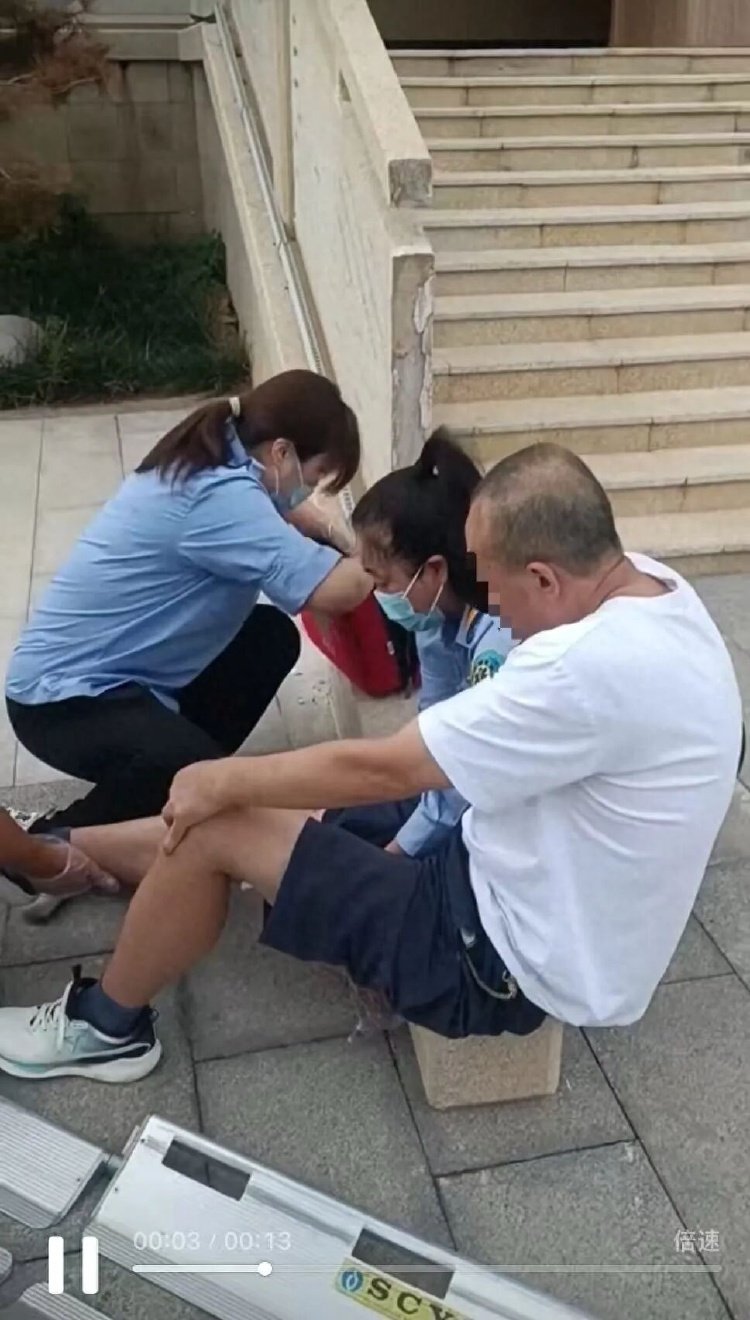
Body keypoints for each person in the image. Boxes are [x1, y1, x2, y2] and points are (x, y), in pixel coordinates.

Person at [0, 443, 742, 1082]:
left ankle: (106, 1030)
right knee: (275, 807)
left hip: (496, 959)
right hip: (509, 876)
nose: (491, 604)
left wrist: (217, 775)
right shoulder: (654, 591)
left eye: (495, 582)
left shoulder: (576, 669)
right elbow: (427, 756)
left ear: (546, 576)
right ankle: (64, 853)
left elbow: (390, 769)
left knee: (219, 821)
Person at [5, 370, 371, 833]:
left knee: (269, 637)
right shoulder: (220, 498)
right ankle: (46, 843)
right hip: (62, 702)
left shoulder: (222, 449)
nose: (309, 492)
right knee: (187, 768)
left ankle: (170, 774)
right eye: (314, 478)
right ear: (281, 452)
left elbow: (292, 510)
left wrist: (330, 530)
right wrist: (388, 551)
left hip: (120, 682)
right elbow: (336, 592)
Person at [334, 428, 514, 857]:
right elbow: (434, 724)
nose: (378, 595)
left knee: (358, 861)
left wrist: (396, 852)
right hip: (458, 787)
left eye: (384, 581)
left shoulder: (497, 643)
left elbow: (463, 774)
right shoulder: (436, 621)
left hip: (495, 815)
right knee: (342, 823)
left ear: (433, 570)